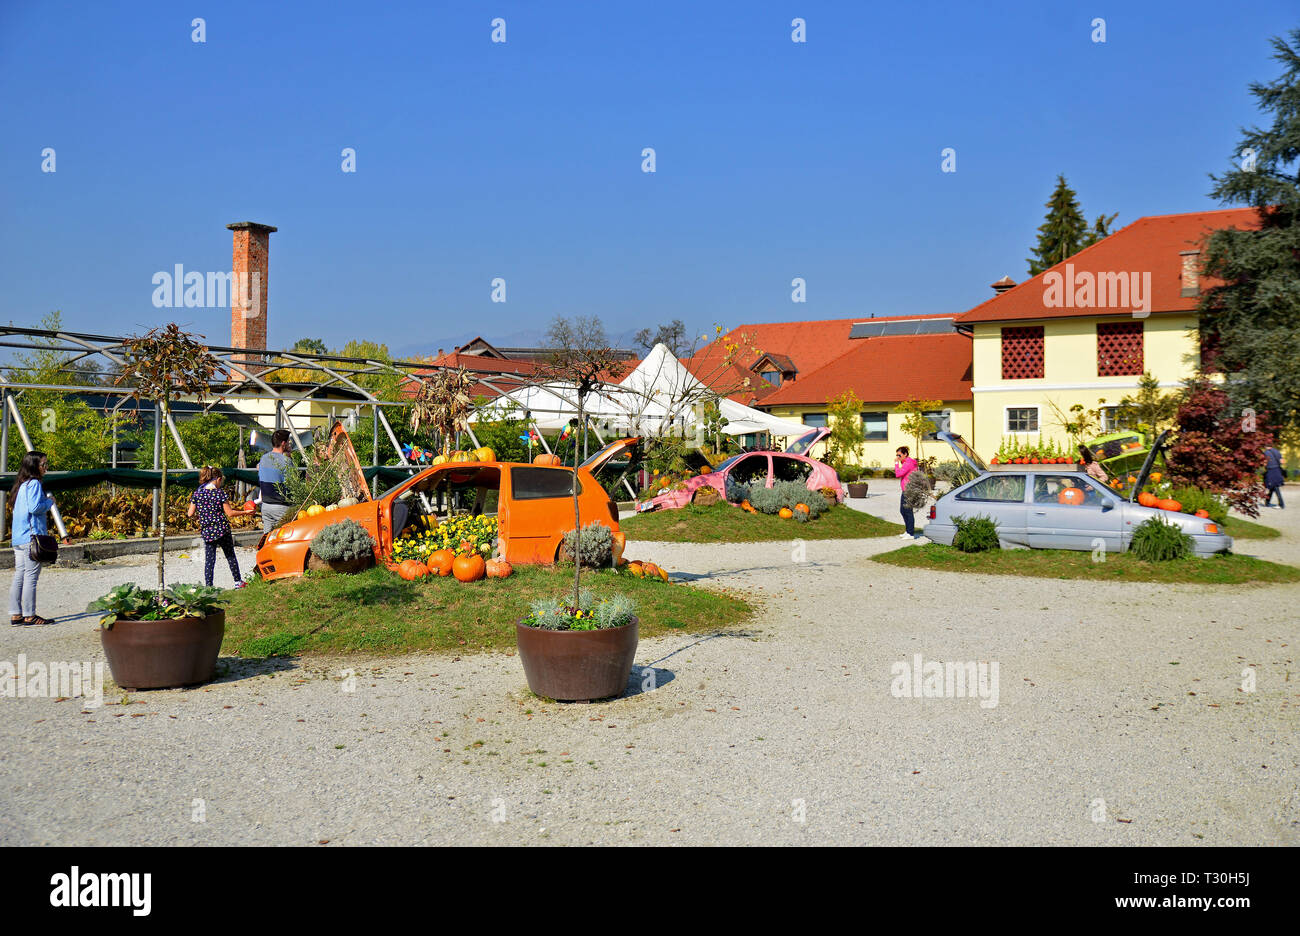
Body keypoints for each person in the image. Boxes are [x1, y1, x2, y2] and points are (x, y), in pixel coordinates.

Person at [8, 451, 55, 625]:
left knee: (20, 575)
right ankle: (29, 614)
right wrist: (50, 502)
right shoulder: (35, 483)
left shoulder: (22, 485)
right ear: (34, 466)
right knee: (31, 576)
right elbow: (35, 507)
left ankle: (15, 613)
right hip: (31, 537)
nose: (46, 468)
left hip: (18, 538)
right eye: (43, 465)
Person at [187, 466, 254, 587]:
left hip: (207, 531)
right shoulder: (219, 493)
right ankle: (238, 582)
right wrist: (246, 512)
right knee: (230, 555)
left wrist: (201, 516)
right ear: (218, 479)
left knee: (209, 560)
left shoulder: (197, 493)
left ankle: (209, 586)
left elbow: (190, 513)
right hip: (222, 529)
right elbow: (230, 513)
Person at [258, 429, 294, 533]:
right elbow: (293, 484)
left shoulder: (263, 458)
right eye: (288, 442)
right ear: (283, 443)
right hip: (281, 507)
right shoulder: (286, 461)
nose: (289, 444)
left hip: (265, 506)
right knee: (285, 537)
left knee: (267, 539)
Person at [894, 445, 919, 539]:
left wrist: (896, 464)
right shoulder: (906, 462)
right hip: (906, 490)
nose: (897, 457)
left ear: (905, 454)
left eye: (899, 455)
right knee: (903, 510)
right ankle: (908, 531)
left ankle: (911, 534)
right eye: (897, 455)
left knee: (908, 511)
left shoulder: (908, 463)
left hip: (909, 490)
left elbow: (898, 474)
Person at [1263, 444, 1285, 509]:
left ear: (1265, 446)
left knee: (1275, 487)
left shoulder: (1265, 453)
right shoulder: (1277, 451)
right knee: (1272, 487)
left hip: (1270, 471)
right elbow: (1282, 461)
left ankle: (1281, 504)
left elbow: (1264, 463)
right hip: (1277, 470)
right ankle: (1267, 502)